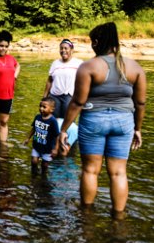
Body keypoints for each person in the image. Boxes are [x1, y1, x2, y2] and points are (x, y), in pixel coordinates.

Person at [59, 22, 146, 220]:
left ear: (97, 42)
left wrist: (64, 129)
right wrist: (138, 129)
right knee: (118, 173)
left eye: (92, 42)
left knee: (90, 170)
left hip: (93, 121)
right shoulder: (134, 67)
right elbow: (140, 103)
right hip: (124, 122)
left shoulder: (88, 66)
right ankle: (118, 219)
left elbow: (78, 102)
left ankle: (87, 217)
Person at [43, 39, 83, 119]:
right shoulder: (55, 63)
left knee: (67, 120)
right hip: (54, 96)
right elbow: (49, 81)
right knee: (53, 120)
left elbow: (83, 81)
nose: (63, 50)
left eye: (66, 48)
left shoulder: (78, 63)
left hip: (70, 96)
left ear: (71, 50)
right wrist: (45, 97)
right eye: (61, 48)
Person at [24, 97, 60, 174]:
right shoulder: (37, 117)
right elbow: (34, 128)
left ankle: (43, 178)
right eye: (40, 106)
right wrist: (28, 138)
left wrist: (56, 149)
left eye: (44, 107)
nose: (41, 108)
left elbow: (57, 135)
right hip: (36, 145)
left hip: (47, 148)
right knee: (34, 161)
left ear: (51, 109)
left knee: (44, 165)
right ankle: (34, 174)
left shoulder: (53, 121)